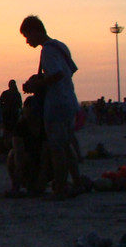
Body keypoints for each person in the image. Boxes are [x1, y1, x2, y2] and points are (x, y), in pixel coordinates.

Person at [20, 15, 83, 199]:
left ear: (35, 31)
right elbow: (69, 70)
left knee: (56, 148)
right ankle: (77, 183)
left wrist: (35, 85)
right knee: (66, 144)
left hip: (56, 103)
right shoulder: (60, 46)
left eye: (27, 36)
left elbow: (57, 75)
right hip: (69, 99)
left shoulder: (47, 50)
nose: (27, 41)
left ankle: (61, 188)